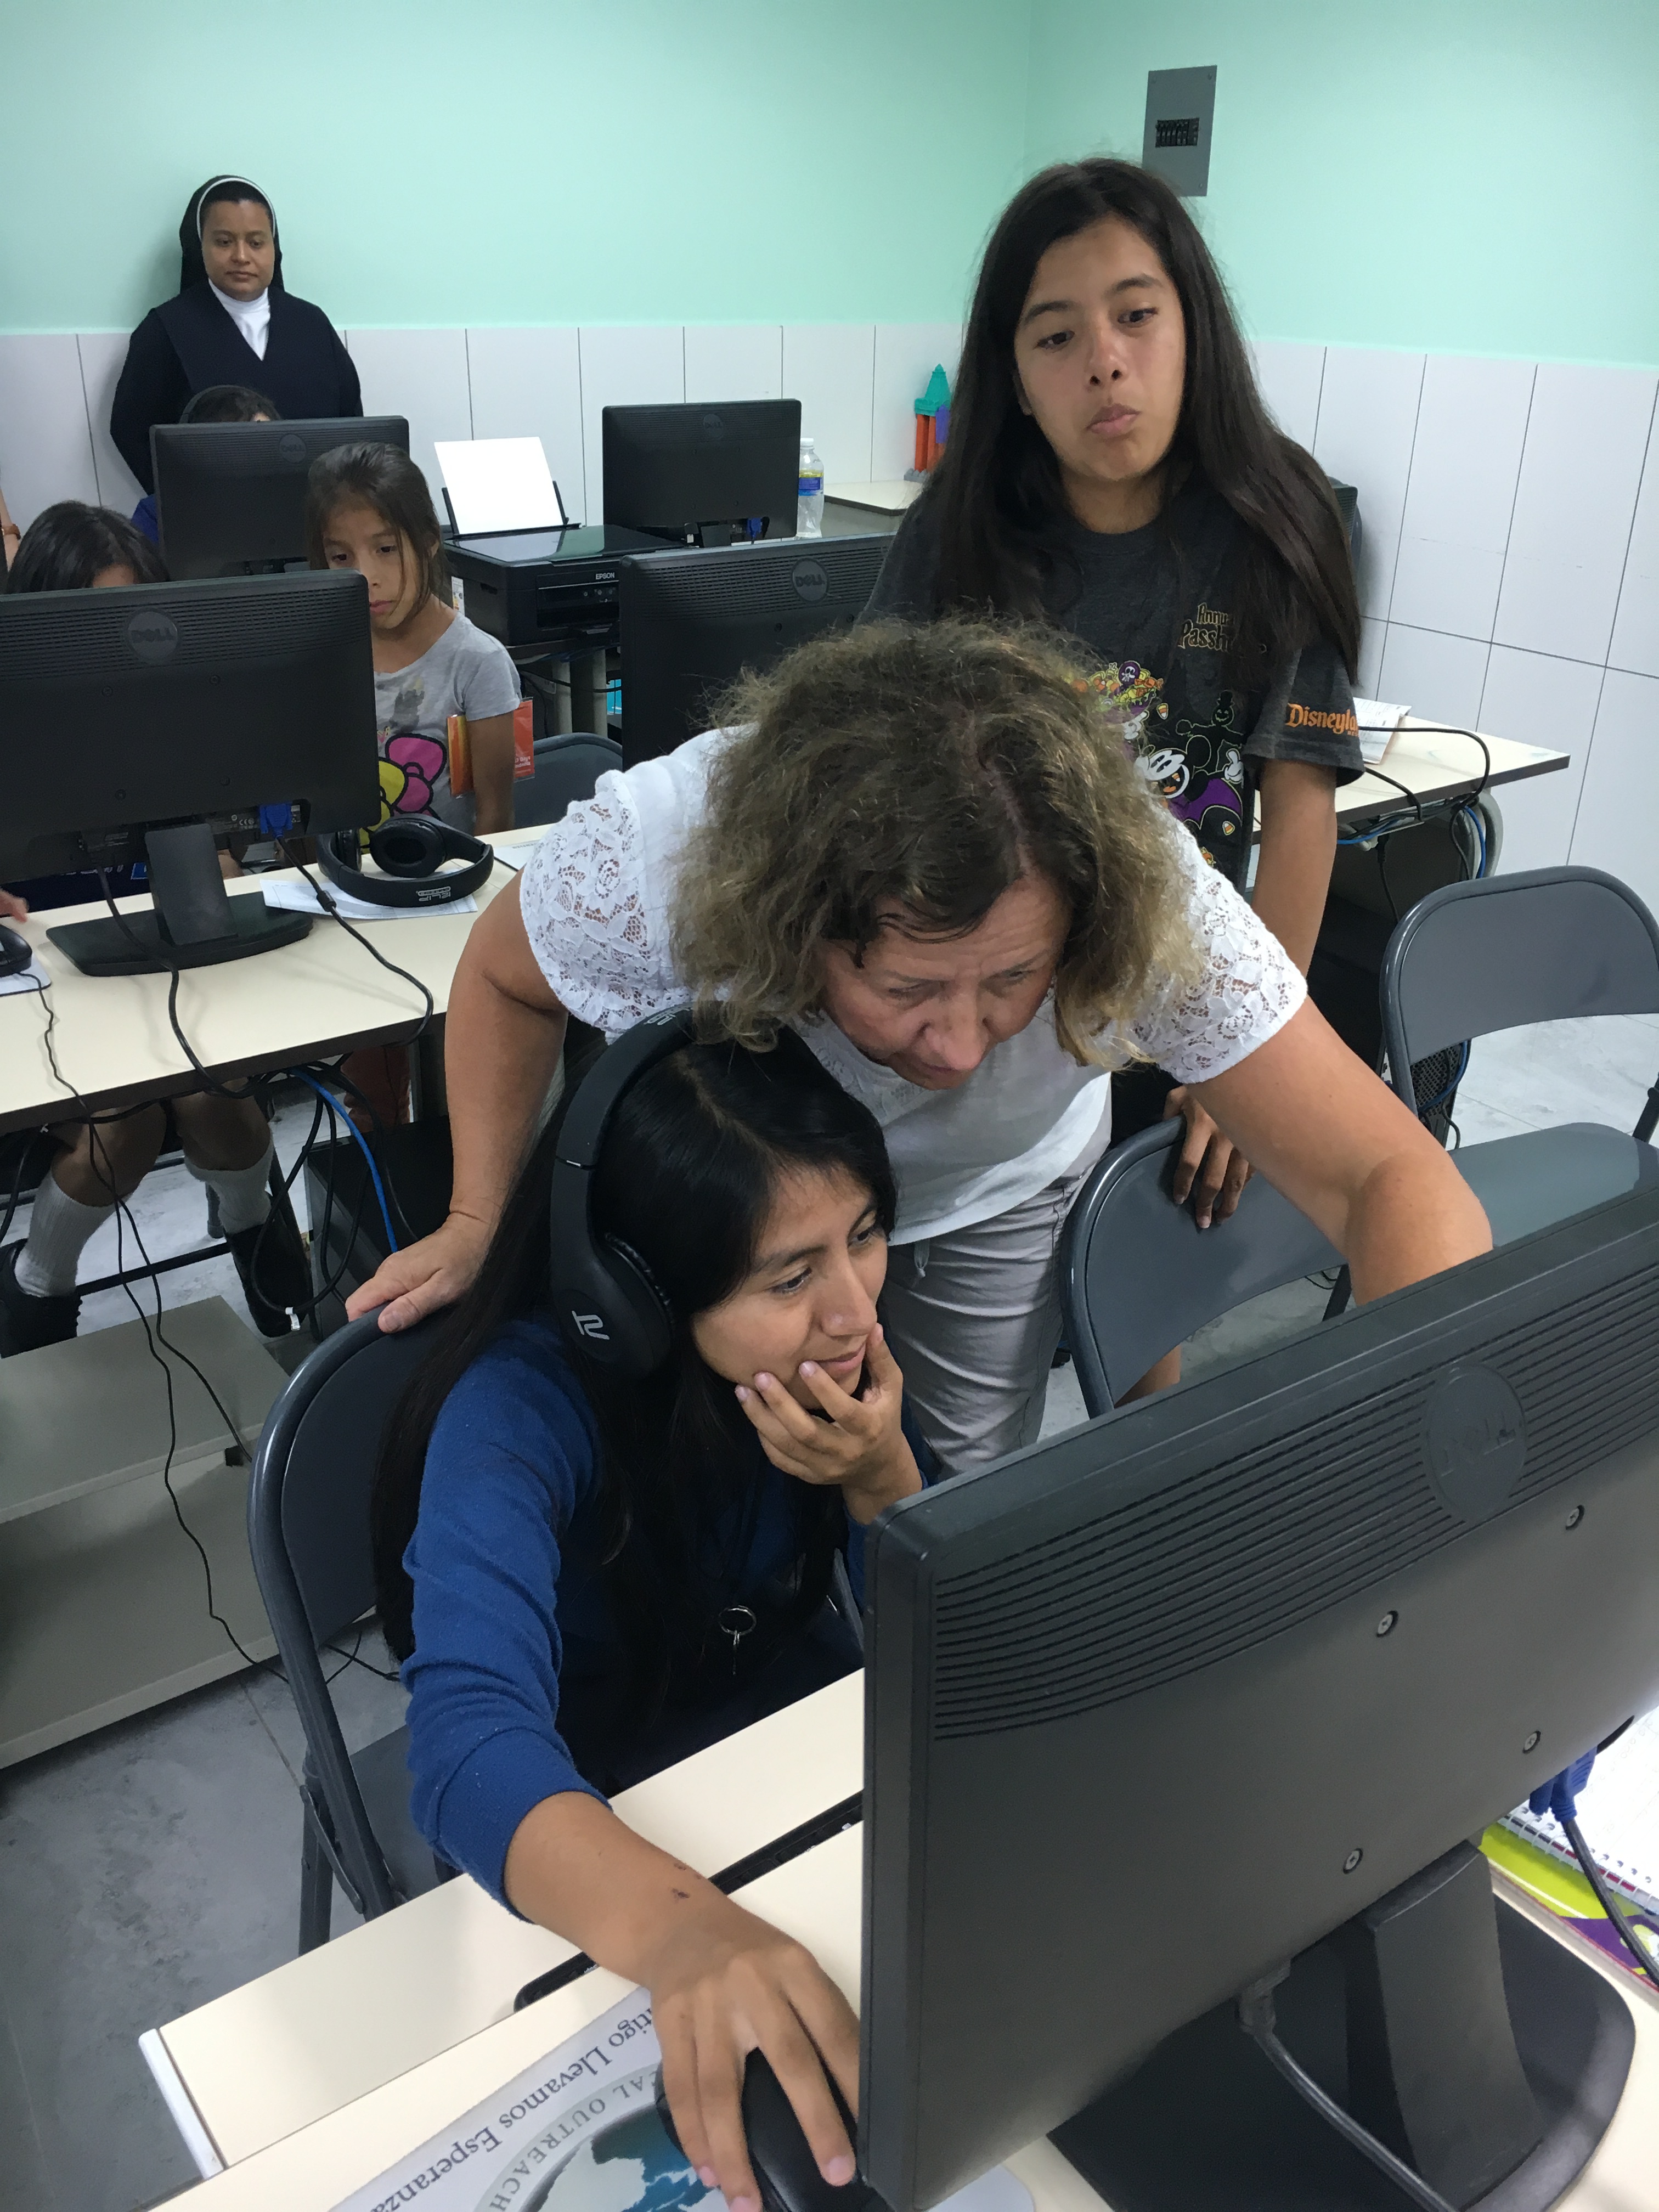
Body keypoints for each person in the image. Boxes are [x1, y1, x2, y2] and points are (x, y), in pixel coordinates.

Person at [346, 619, 1489, 1471]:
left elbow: (1388, 1175)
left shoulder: (1144, 888)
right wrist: (476, 1219)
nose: (957, 1047)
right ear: (793, 924)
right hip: (748, 1209)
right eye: (905, 988)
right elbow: (504, 976)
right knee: (713, 1478)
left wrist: (1420, 1444)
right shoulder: (670, 849)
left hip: (995, 1188)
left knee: (943, 1497)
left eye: (1014, 981)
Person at [377, 1027, 932, 2209]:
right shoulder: (515, 1410)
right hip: (596, 1795)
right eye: (789, 1275)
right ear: (636, 1291)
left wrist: (883, 1479)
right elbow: (465, 1743)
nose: (853, 1310)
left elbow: (953, 1633)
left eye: (864, 1235)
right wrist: (685, 1935)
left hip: (776, 1744)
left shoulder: (835, 1374)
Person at [866, 159, 1364, 1289]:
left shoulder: (1276, 523)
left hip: (1174, 1001)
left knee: (1139, 1304)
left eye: (1136, 316)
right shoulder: (957, 529)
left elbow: (1299, 806)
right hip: (988, 1005)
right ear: (1014, 376)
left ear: (1193, 328)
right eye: (1055, 336)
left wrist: (1246, 1058)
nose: (1103, 360)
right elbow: (866, 759)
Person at [0, 504, 311, 1350]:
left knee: (216, 1094)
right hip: (51, 992)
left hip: (167, 969)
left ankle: (249, 1228)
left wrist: (224, 870)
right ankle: (39, 1276)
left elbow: (224, 855)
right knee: (132, 1117)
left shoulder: (181, 718)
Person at [306, 442, 520, 836]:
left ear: (428, 541)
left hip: (445, 870)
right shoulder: (317, 657)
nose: (365, 576)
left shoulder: (477, 662)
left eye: (386, 549)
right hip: (337, 871)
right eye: (341, 557)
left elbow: (495, 820)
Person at [110, 176, 359, 495]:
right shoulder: (166, 329)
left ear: (274, 247)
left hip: (317, 510)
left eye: (256, 243)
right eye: (224, 242)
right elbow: (131, 430)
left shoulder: (312, 324)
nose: (241, 256)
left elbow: (352, 422)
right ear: (200, 247)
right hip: (213, 512)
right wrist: (182, 499)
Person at [131, 381, 280, 545]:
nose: (255, 455)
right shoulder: (157, 514)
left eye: (265, 442)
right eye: (240, 444)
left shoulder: (291, 504)